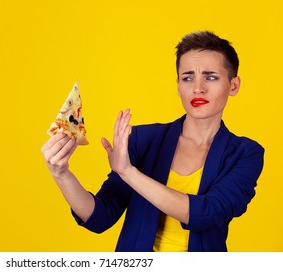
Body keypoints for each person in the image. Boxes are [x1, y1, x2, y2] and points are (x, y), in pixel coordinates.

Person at [41, 31, 264, 252]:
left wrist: (129, 173)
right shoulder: (143, 141)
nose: (198, 88)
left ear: (233, 86)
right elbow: (100, 217)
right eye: (187, 78)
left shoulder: (246, 154)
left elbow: (206, 213)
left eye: (211, 77)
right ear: (178, 86)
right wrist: (62, 174)